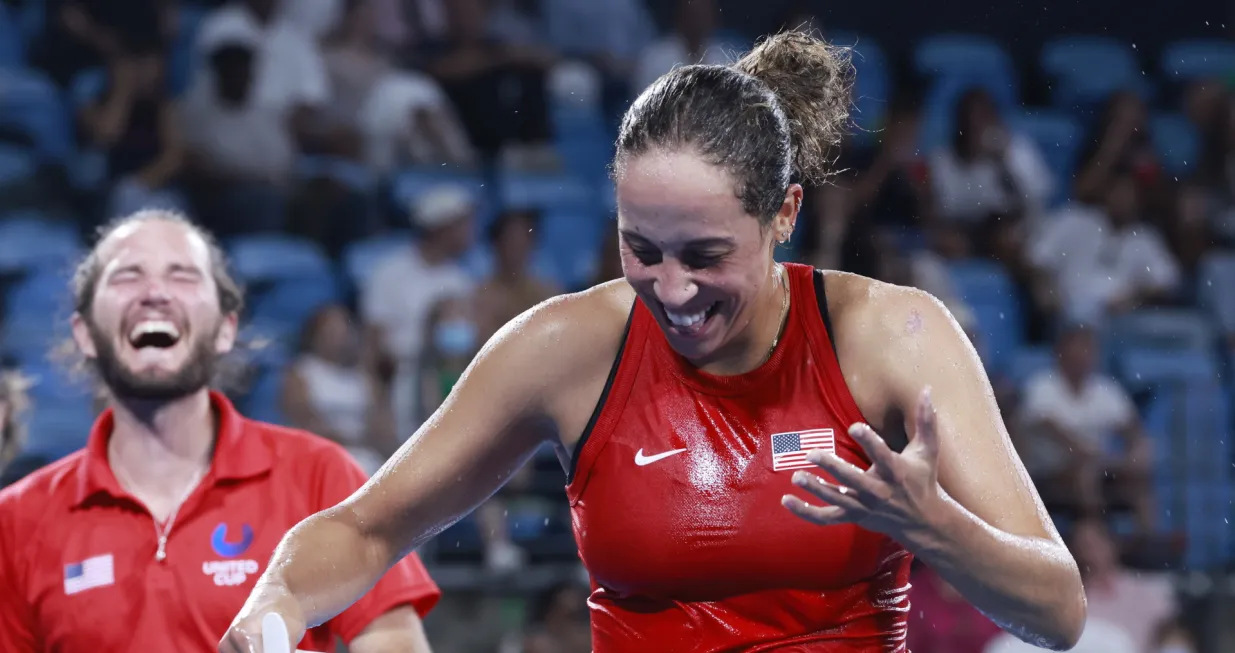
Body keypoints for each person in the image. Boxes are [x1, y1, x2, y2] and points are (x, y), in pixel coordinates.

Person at [223, 31, 1085, 652]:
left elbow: (1057, 611)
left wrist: (932, 527)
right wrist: (272, 611)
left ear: (784, 213)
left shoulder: (895, 335)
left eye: (706, 255)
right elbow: (365, 531)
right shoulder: (565, 347)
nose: (671, 290)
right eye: (641, 248)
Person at [0, 211, 440, 652]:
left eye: (183, 276)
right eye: (127, 276)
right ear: (85, 333)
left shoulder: (318, 474)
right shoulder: (17, 520)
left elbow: (391, 636)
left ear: (226, 328)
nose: (155, 293)